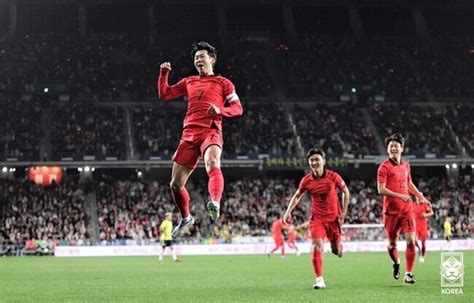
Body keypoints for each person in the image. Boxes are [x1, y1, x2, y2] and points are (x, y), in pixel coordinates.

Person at [158, 42, 243, 237]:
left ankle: (215, 201)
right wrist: (164, 74)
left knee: (212, 162)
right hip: (189, 134)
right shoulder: (189, 81)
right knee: (175, 185)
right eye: (196, 58)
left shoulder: (224, 83)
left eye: (202, 56)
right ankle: (186, 217)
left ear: (212, 59)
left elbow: (238, 108)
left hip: (210, 131)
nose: (198, 60)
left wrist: (220, 110)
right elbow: (165, 94)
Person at [283, 148, 350, 289]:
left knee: (335, 250)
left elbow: (345, 191)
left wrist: (343, 212)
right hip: (317, 220)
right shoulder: (306, 180)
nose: (314, 162)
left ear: (323, 161)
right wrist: (288, 211)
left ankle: (338, 248)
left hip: (334, 220)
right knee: (316, 246)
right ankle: (319, 279)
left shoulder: (333, 176)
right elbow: (297, 196)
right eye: (311, 160)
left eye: (317, 160)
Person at [377, 133, 430, 284]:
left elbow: (409, 184)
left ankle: (408, 274)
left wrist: (422, 197)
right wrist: (400, 196)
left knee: (411, 241)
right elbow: (381, 189)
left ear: (402, 148)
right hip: (391, 212)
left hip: (407, 210)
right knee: (392, 244)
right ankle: (396, 263)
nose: (393, 148)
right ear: (388, 149)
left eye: (396, 145)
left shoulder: (406, 165)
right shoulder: (383, 167)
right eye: (391, 146)